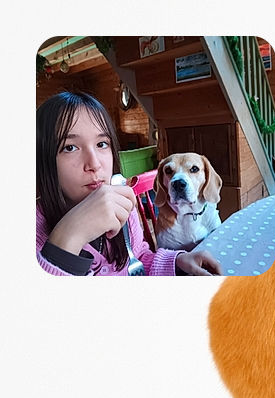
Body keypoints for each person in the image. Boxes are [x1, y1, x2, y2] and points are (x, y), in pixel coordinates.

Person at [36, 91, 221, 276]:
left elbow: (138, 258)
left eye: (101, 144)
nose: (94, 164)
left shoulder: (123, 206)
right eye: (70, 147)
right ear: (42, 159)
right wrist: (69, 237)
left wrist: (177, 261)